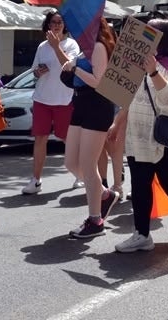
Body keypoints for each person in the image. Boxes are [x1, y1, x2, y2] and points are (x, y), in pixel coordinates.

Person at [111, 18, 168, 253]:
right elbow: (125, 97)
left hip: (167, 137)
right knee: (139, 184)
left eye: (152, 33)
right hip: (138, 135)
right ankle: (141, 234)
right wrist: (117, 124)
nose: (145, 36)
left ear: (164, 38)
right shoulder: (135, 61)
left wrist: (154, 73)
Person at [61, 17, 120, 239]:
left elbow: (99, 81)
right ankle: (104, 194)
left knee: (87, 163)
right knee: (71, 162)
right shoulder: (84, 49)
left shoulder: (98, 47)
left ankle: (95, 220)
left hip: (97, 105)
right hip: (81, 105)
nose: (74, 32)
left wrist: (75, 69)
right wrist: (70, 66)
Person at [21, 9, 82, 195]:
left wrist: (56, 46)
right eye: (53, 22)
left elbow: (69, 67)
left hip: (64, 99)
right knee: (40, 139)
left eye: (59, 22)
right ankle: (36, 180)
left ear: (65, 26)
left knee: (67, 139)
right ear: (48, 25)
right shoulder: (42, 46)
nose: (56, 25)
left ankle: (80, 174)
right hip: (42, 98)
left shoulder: (71, 44)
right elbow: (34, 70)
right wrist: (38, 72)